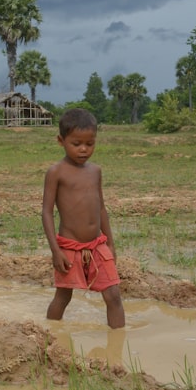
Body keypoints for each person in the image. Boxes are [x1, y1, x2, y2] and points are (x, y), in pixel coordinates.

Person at [41, 108, 125, 328]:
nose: (84, 149)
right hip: (69, 248)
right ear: (61, 140)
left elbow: (101, 209)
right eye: (76, 144)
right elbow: (47, 212)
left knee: (113, 296)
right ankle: (49, 336)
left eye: (90, 144)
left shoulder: (95, 171)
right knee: (63, 297)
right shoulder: (56, 172)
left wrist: (111, 244)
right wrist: (55, 250)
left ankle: (119, 349)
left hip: (97, 245)